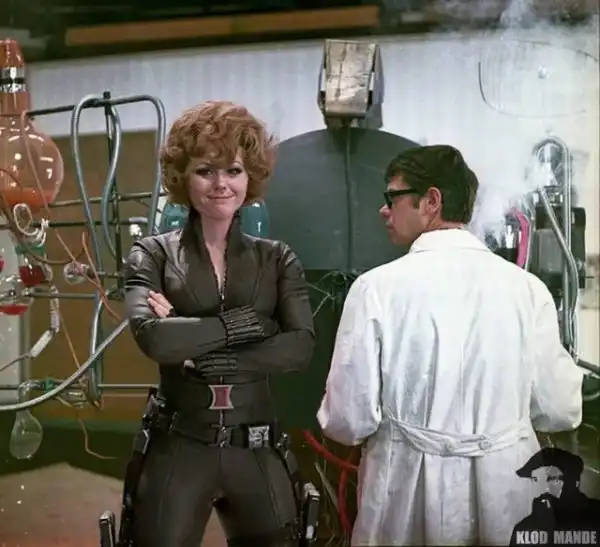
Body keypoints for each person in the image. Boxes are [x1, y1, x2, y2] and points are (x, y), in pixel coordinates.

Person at [316, 145, 584, 546]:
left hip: (405, 493)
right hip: (506, 490)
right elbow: (560, 410)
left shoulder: (375, 289)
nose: (383, 210)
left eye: (392, 196)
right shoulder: (527, 290)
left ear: (431, 201)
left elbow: (348, 421)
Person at [123, 100, 315, 547]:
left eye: (233, 170)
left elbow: (300, 346)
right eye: (205, 171)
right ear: (182, 177)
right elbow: (154, 339)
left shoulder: (277, 258)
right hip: (180, 445)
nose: (220, 184)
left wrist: (194, 337)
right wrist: (248, 324)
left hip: (257, 448)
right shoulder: (151, 253)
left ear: (250, 177)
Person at [510, 447, 600, 546]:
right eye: (536, 479)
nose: (543, 488)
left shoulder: (596, 517)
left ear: (574, 483)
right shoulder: (523, 530)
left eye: (552, 479)